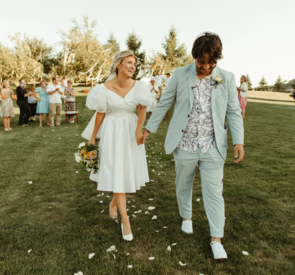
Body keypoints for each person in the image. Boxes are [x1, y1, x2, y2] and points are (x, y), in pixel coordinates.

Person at [142, 32, 244, 259]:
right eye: (201, 62)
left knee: (214, 192)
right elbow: (163, 104)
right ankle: (186, 217)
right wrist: (149, 129)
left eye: (211, 62)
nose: (206, 67)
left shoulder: (226, 77)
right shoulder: (179, 74)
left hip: (213, 145)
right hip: (184, 143)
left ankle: (216, 238)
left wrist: (239, 141)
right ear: (194, 56)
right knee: (183, 184)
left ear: (218, 59)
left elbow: (234, 112)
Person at [83, 51, 152, 241]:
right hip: (111, 131)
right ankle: (126, 221)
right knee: (116, 171)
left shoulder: (139, 87)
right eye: (129, 62)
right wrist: (93, 137)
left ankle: (114, 203)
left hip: (130, 131)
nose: (133, 67)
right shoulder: (102, 89)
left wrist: (139, 129)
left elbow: (142, 109)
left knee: (125, 171)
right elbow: (100, 113)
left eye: (135, 64)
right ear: (118, 65)